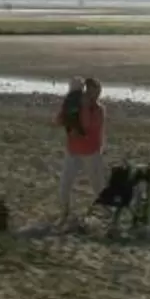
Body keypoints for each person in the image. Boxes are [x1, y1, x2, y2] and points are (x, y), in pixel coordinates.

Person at [56, 77, 106, 226]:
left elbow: (88, 126)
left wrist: (84, 108)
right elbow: (59, 120)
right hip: (73, 151)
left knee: (98, 185)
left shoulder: (99, 110)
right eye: (91, 92)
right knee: (65, 184)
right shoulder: (75, 104)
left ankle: (105, 211)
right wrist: (69, 105)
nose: (94, 95)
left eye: (97, 92)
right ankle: (64, 212)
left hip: (91, 152)